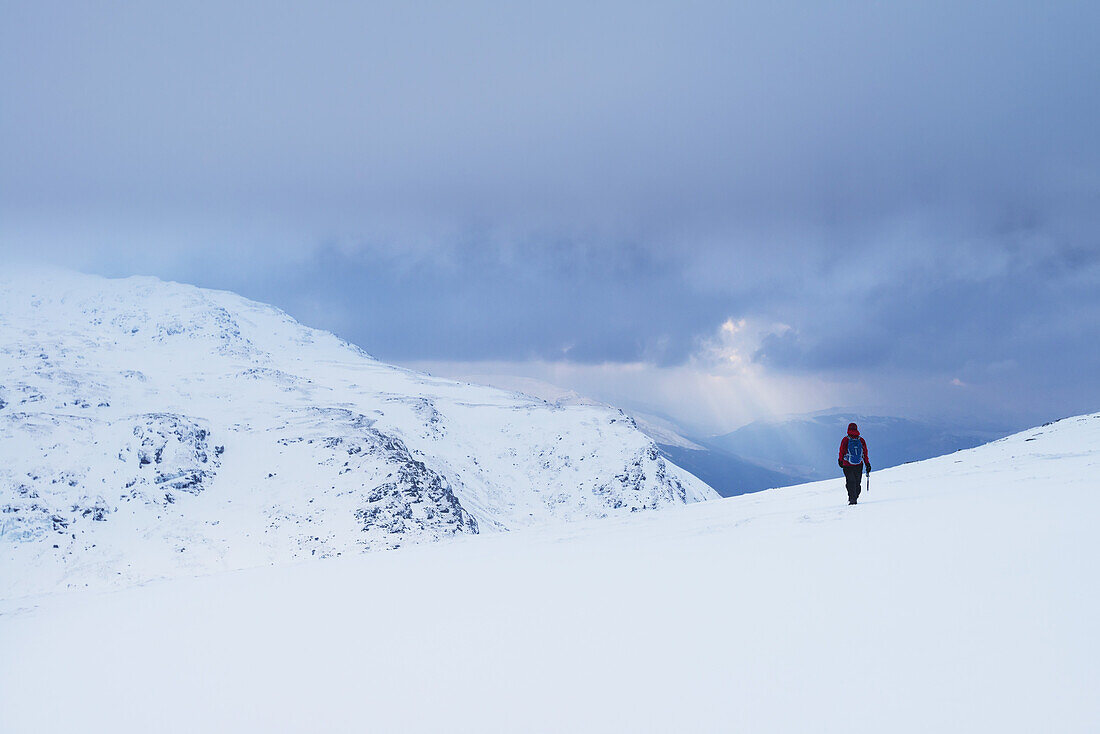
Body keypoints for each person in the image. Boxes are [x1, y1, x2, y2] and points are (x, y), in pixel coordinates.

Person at [838, 422, 870, 505]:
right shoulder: (861, 440)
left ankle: (852, 499)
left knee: (850, 482)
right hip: (859, 464)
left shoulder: (845, 439)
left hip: (847, 464)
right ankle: (855, 497)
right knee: (857, 482)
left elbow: (841, 451)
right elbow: (865, 453)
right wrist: (867, 463)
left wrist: (840, 460)